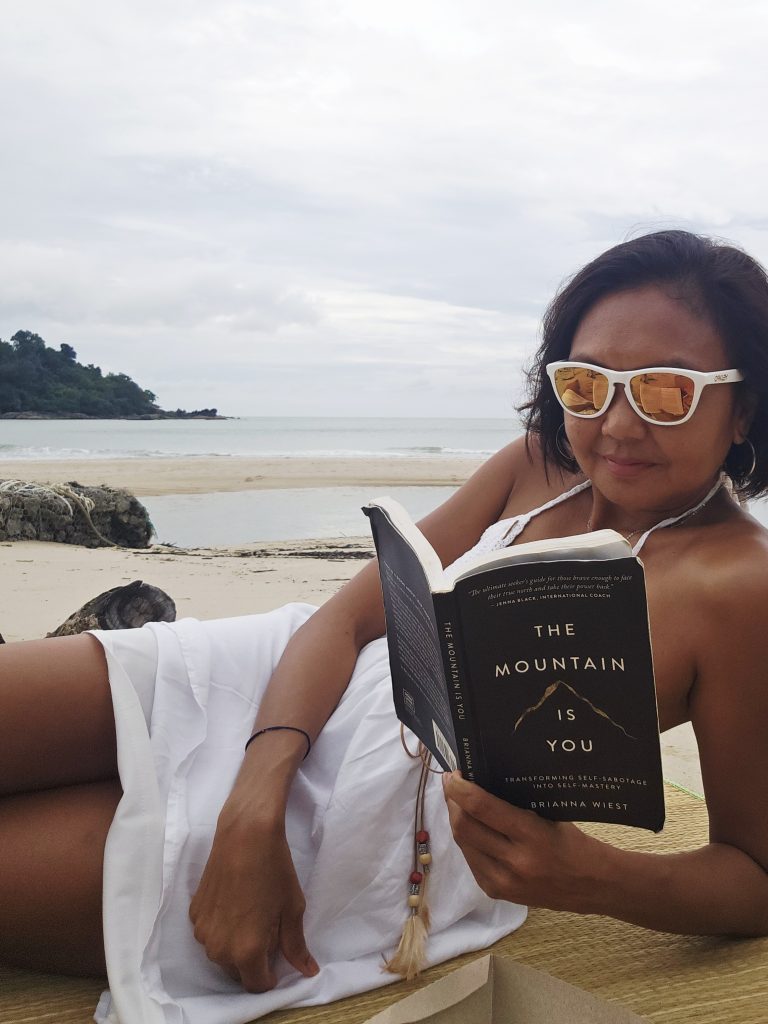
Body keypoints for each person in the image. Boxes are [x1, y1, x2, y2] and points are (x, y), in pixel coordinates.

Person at [2, 229, 768, 1024]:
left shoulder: (740, 586)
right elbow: (343, 620)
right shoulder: (537, 464)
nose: (615, 425)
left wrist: (594, 878)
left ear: (743, 405)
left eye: (664, 390)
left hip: (373, 823)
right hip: (281, 682)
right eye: (585, 384)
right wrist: (251, 800)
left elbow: (755, 874)